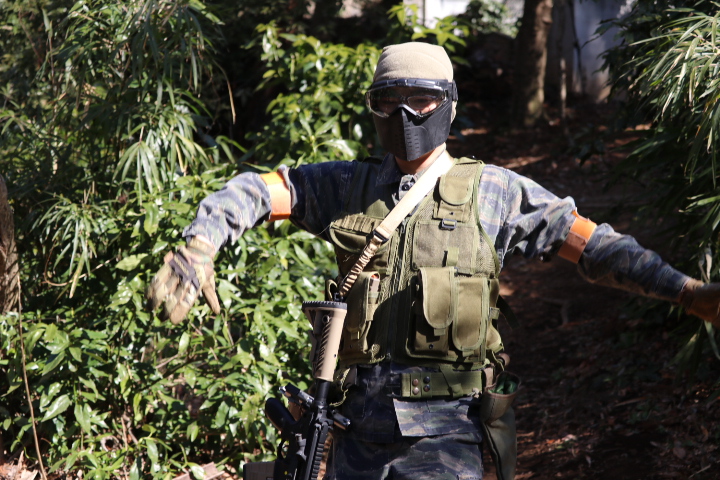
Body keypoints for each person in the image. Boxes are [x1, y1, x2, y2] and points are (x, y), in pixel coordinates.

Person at [146, 42, 720, 480]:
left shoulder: (496, 193)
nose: (404, 113)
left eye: (419, 99)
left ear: (447, 104)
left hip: (445, 439)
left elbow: (595, 246)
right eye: (387, 100)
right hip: (353, 431)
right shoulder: (345, 186)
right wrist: (200, 246)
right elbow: (256, 190)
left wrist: (685, 292)